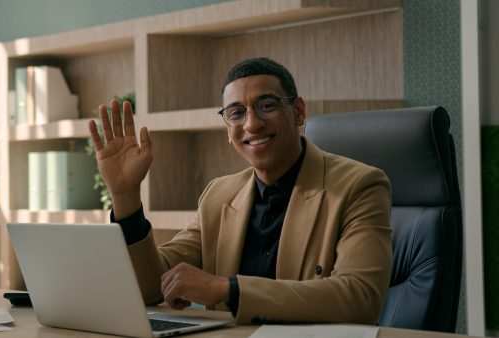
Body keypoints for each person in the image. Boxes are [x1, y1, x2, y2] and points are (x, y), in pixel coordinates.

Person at [88, 57, 392, 325]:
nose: (252, 123)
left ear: (298, 112)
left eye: (267, 105)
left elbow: (360, 296)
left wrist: (228, 289)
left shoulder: (360, 185)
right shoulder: (219, 194)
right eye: (236, 112)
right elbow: (150, 287)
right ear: (227, 129)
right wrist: (125, 195)